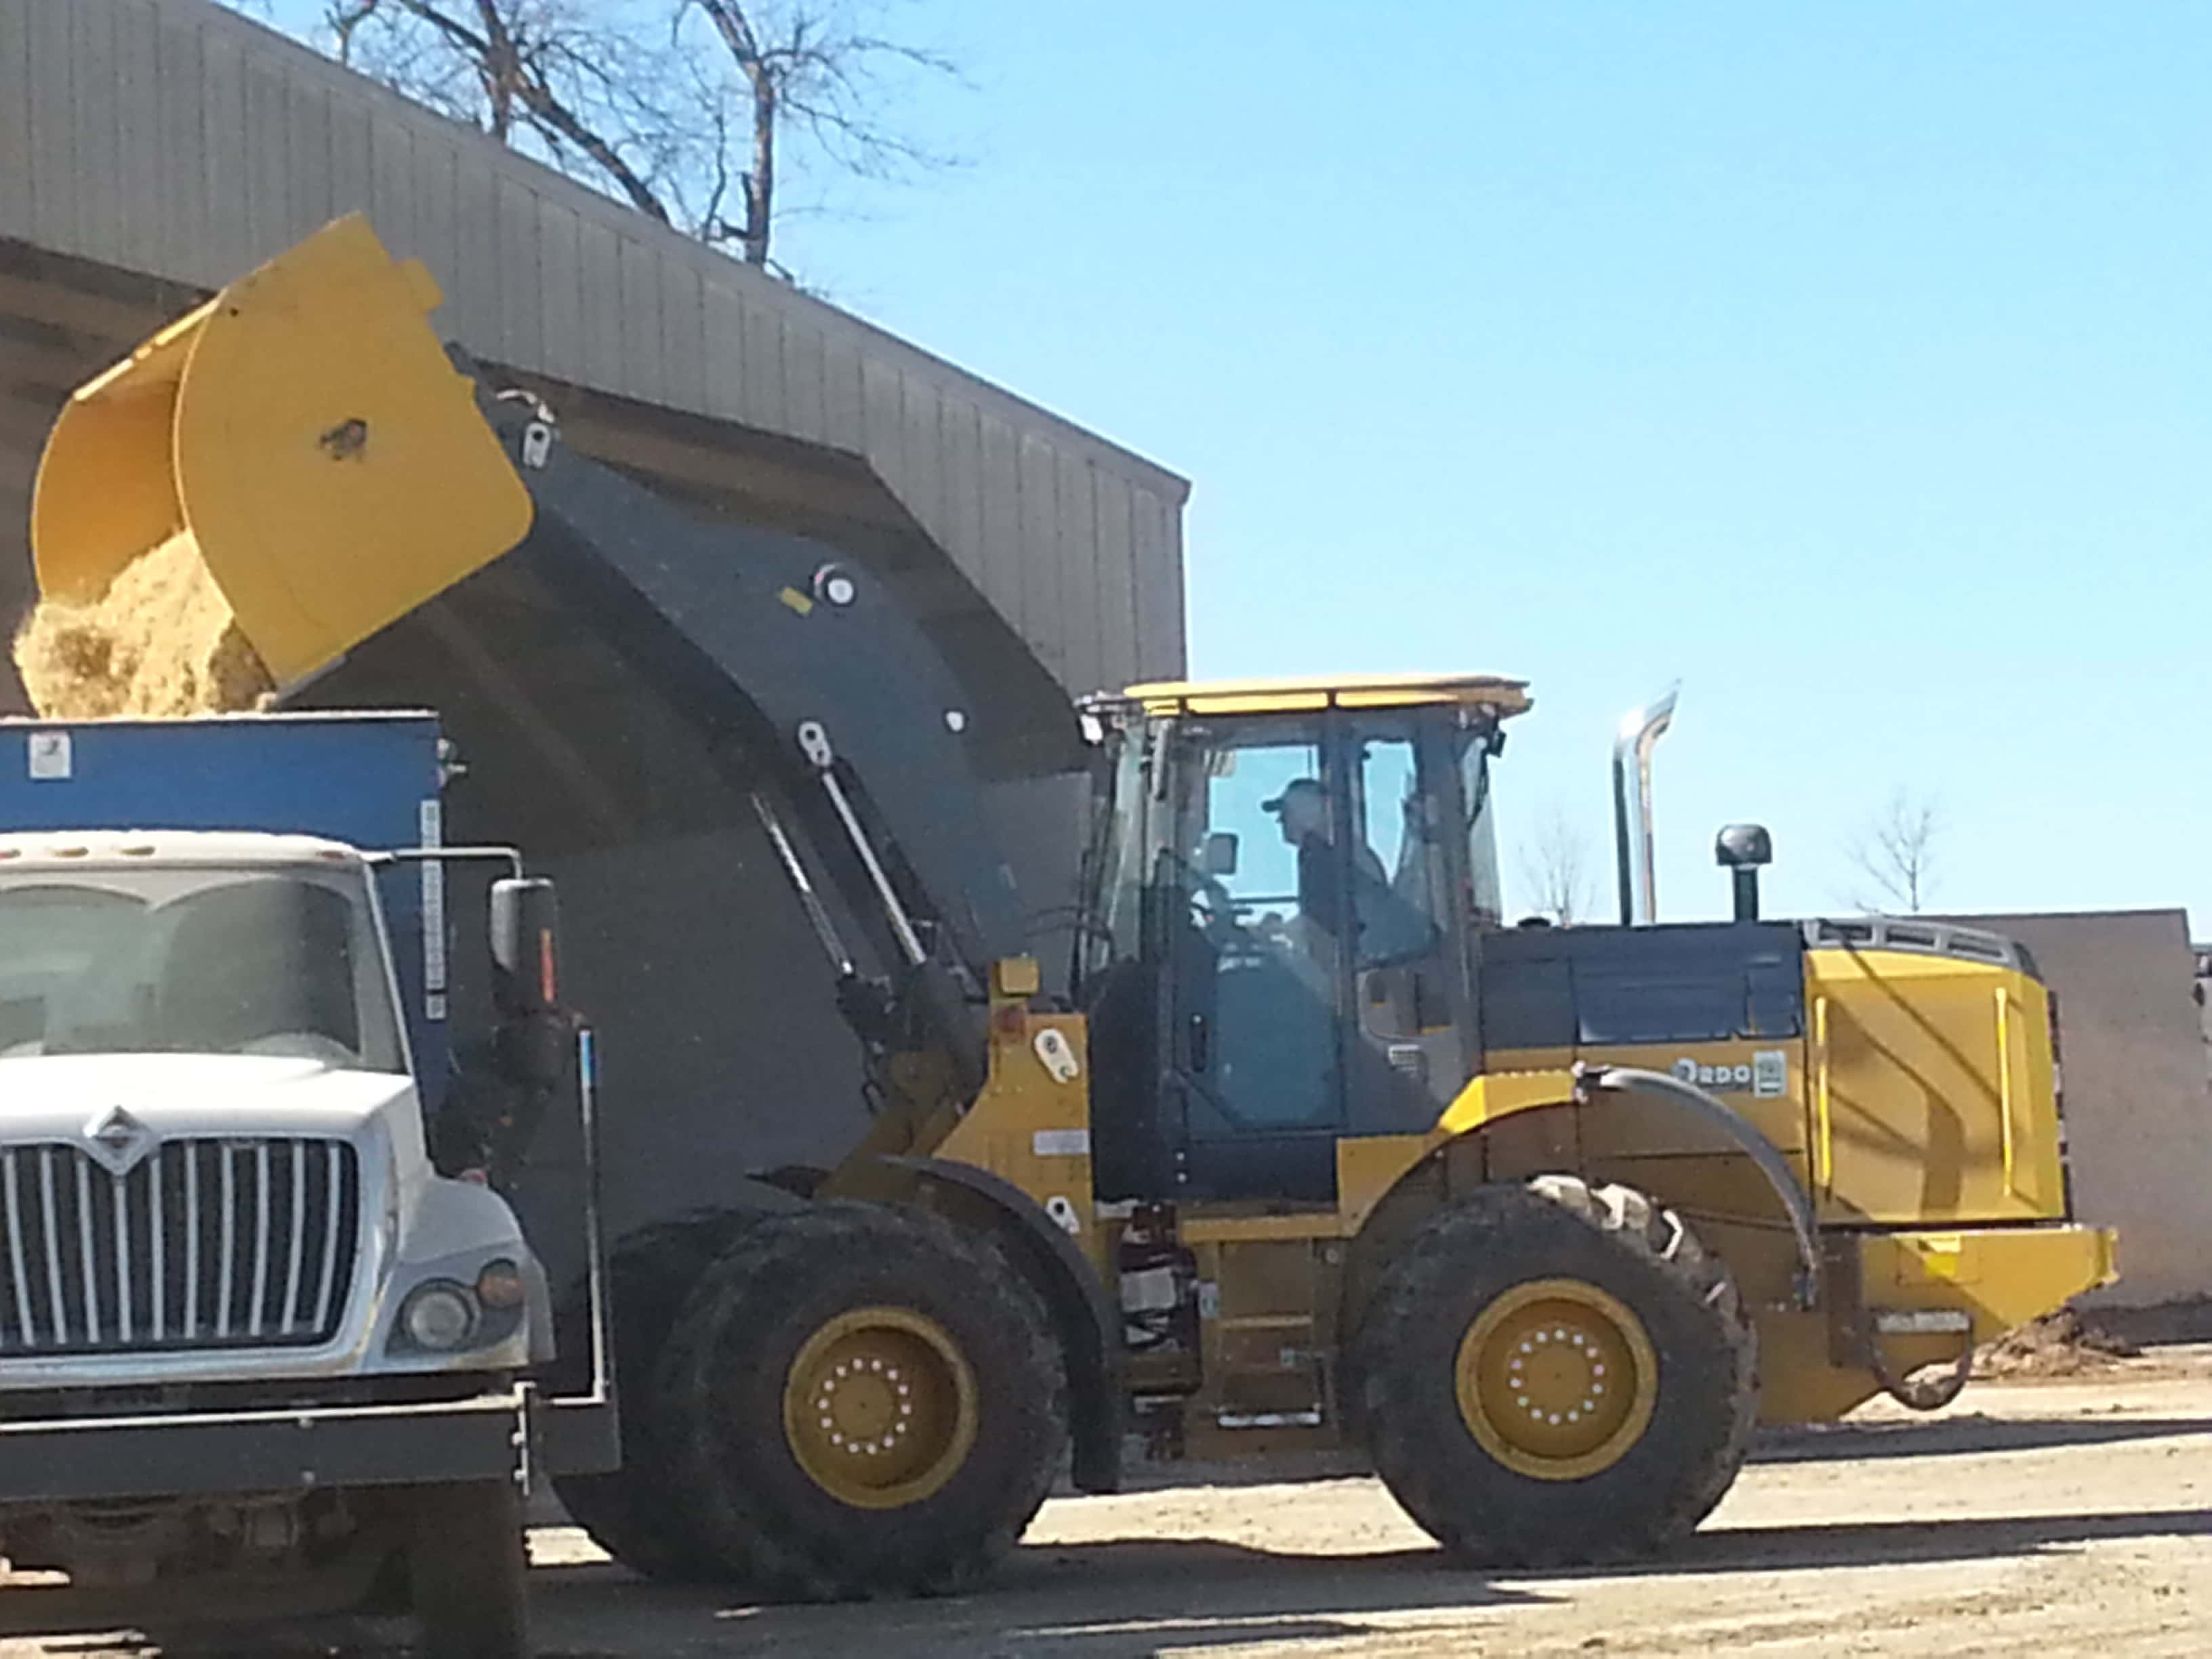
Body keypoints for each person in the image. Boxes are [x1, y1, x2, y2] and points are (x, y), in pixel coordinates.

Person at [1263, 779, 1386, 953]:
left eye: (1286, 813)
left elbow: (1322, 920)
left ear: (1307, 812)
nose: (1280, 821)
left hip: (1348, 960)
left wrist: (1282, 929)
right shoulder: (1323, 852)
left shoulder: (1327, 857)